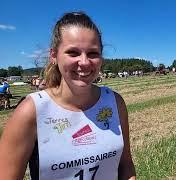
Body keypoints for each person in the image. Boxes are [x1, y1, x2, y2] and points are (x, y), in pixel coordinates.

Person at [0, 11, 136, 180]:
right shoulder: (31, 111)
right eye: (73, 53)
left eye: (93, 53)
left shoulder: (115, 102)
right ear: (53, 56)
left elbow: (126, 165)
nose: (85, 62)